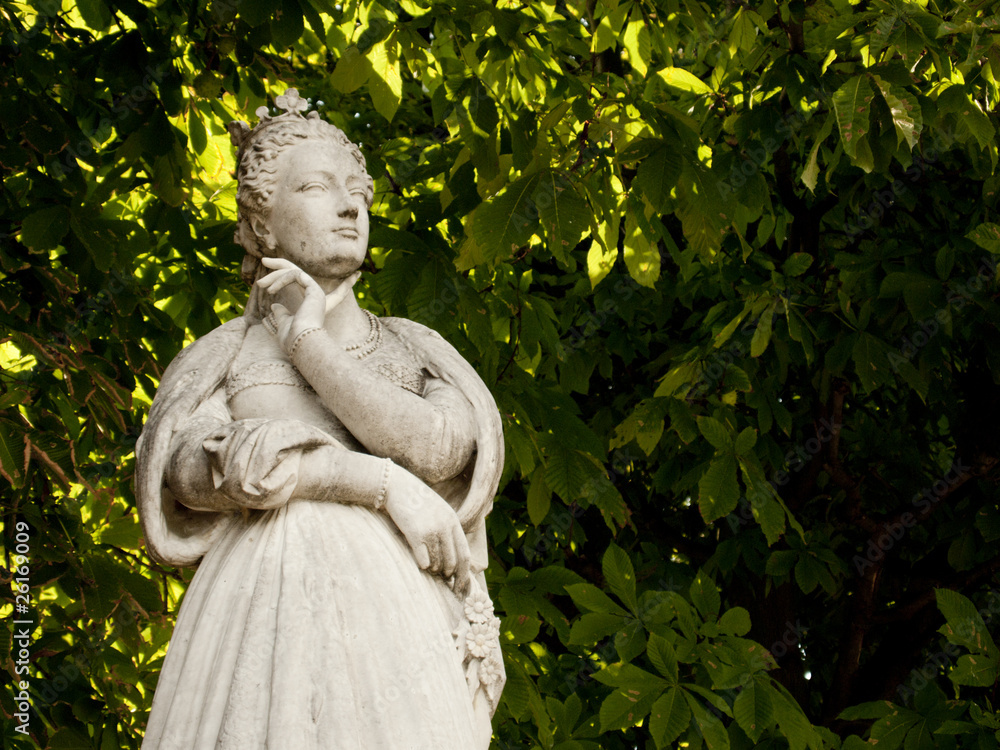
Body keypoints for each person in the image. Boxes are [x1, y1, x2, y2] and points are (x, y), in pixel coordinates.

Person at [134, 89, 504, 750]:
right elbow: (201, 471)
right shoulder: (223, 359)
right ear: (263, 225)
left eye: (357, 191)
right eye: (315, 186)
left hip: (399, 632)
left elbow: (440, 448)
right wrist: (379, 485)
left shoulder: (413, 351)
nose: (349, 205)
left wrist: (309, 346)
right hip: (258, 628)